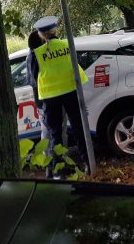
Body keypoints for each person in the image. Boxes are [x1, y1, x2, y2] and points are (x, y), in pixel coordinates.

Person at [33, 16, 89, 176]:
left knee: (55, 134)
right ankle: (87, 163)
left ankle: (58, 170)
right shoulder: (67, 45)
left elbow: (33, 76)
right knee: (79, 129)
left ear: (41, 34)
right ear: (55, 30)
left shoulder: (38, 52)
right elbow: (76, 68)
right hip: (71, 92)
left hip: (51, 97)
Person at [26, 30, 49, 140]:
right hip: (46, 99)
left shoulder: (30, 56)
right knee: (49, 131)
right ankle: (55, 156)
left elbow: (31, 81)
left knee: (47, 130)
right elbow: (36, 80)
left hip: (41, 99)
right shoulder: (38, 57)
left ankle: (51, 155)